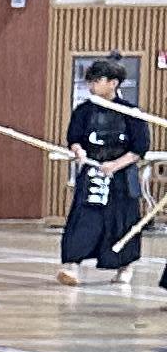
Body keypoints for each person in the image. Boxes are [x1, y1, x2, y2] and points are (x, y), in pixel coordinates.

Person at [60, 59, 150, 288]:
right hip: (93, 174)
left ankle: (124, 267)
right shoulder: (83, 111)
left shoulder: (131, 112)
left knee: (122, 222)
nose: (91, 85)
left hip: (121, 178)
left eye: (96, 81)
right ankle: (72, 266)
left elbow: (139, 148)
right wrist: (78, 151)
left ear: (113, 83)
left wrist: (115, 165)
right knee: (84, 219)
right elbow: (74, 139)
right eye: (90, 81)